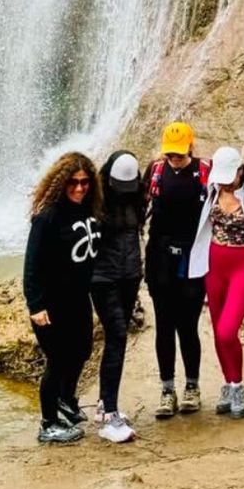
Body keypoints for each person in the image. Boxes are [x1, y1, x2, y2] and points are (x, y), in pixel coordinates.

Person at [23, 151, 101, 445]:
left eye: (85, 182)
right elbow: (31, 265)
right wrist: (36, 305)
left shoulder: (88, 210)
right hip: (52, 303)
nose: (80, 188)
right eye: (73, 182)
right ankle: (48, 423)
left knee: (81, 351)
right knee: (56, 361)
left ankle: (66, 401)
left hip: (79, 298)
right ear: (60, 182)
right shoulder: (47, 217)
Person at [188, 146, 244, 419]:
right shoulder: (211, 189)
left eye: (229, 177)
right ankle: (230, 384)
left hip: (243, 266)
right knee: (217, 329)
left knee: (227, 330)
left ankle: (238, 387)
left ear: (240, 171)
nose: (224, 182)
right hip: (214, 265)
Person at [143, 121, 210, 419]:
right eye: (170, 154)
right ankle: (167, 389)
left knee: (188, 325)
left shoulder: (206, 171)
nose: (175, 159)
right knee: (164, 325)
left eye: (180, 154)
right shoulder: (156, 171)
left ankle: (192, 386)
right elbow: (132, 204)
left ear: (191, 148)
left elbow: (239, 190)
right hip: (160, 258)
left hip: (191, 258)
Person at [90, 151, 145, 444]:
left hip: (130, 273)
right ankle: (109, 413)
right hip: (102, 277)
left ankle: (104, 405)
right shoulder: (95, 196)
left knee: (117, 337)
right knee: (117, 334)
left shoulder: (138, 191)